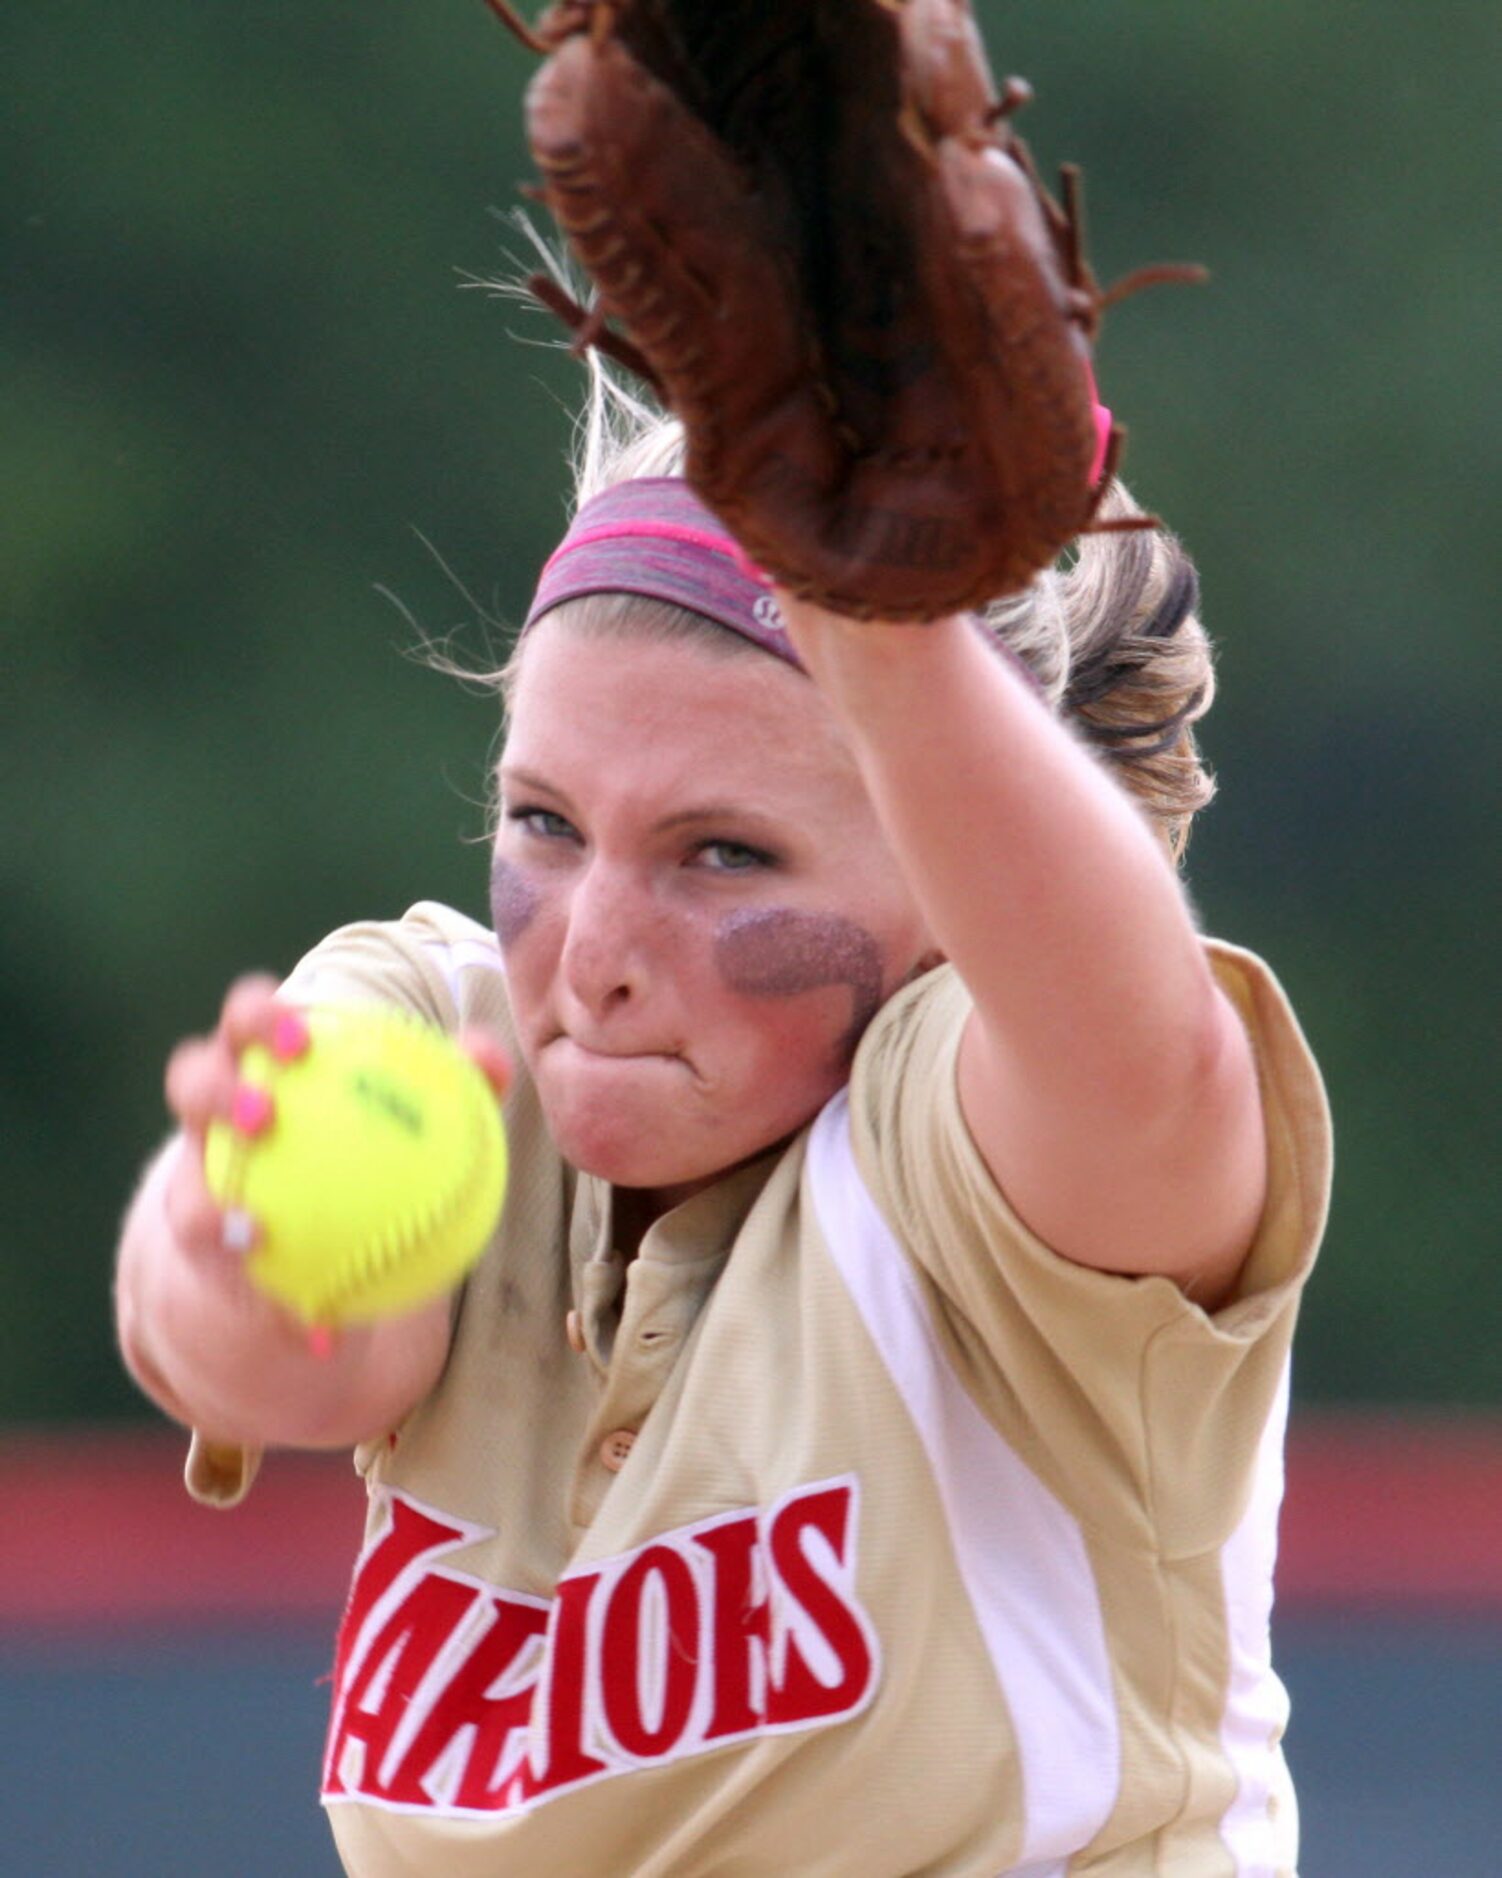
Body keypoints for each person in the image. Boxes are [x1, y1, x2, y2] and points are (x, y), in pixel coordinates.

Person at [114, 364, 1331, 1875]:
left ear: (950, 896)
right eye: (545, 822)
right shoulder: (439, 1032)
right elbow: (291, 1356)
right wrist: (226, 1266)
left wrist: (895, 656)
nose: (593, 944)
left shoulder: (974, 1150)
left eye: (724, 853)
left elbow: (1150, 1065)